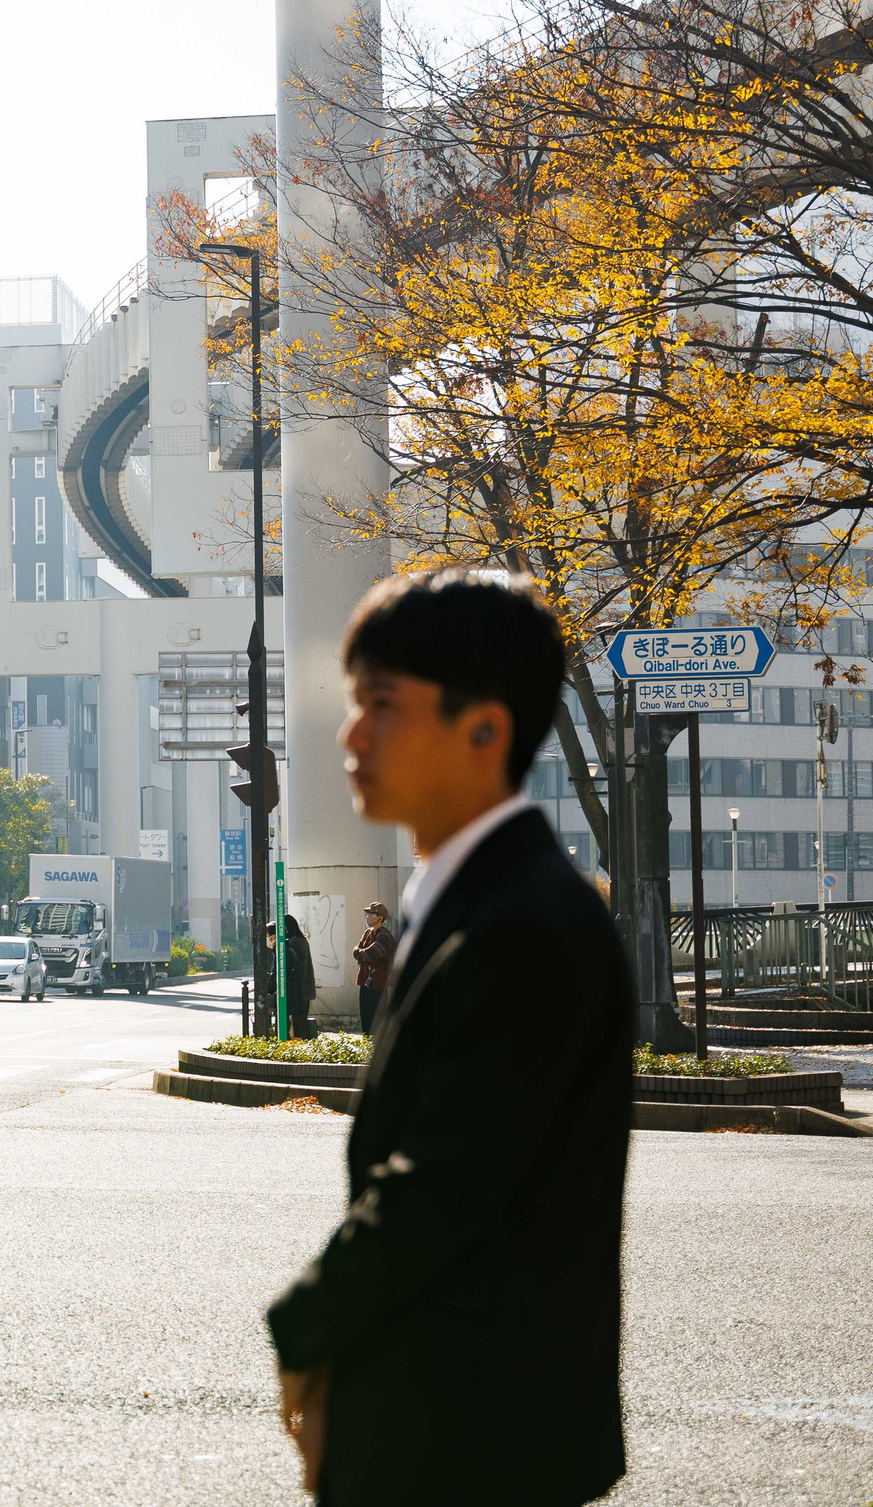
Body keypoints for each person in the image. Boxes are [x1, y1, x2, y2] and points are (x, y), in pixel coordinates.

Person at [267, 568, 634, 1506]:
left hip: (473, 1440)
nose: (350, 735)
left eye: (382, 705)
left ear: (485, 730)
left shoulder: (523, 927)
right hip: (455, 1422)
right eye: (354, 703)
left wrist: (304, 1329)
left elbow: (442, 1181)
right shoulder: (475, 902)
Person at [352, 901, 392, 1034]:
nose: (368, 916)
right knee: (366, 1018)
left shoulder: (385, 936)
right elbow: (356, 951)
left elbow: (369, 953)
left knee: (377, 1021)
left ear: (380, 917)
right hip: (364, 981)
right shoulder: (367, 933)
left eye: (371, 914)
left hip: (378, 984)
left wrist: (359, 952)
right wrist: (359, 952)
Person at [279, 913, 316, 1040]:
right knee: (301, 1021)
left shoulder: (292, 943)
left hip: (297, 989)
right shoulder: (302, 940)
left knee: (294, 1023)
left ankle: (295, 1044)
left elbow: (294, 968)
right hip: (305, 987)